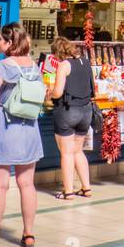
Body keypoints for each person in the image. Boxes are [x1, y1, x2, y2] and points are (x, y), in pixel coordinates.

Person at [0, 23, 43, 247]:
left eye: (0, 39)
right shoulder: (33, 66)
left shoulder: (2, 65)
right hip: (29, 129)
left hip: (6, 127)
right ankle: (28, 234)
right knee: (27, 184)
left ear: (9, 43)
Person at [46, 36, 94, 201]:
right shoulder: (86, 62)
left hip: (68, 111)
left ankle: (68, 192)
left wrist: (49, 92)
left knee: (66, 153)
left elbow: (58, 92)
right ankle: (86, 188)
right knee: (78, 151)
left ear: (58, 52)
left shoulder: (64, 65)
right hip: (86, 111)